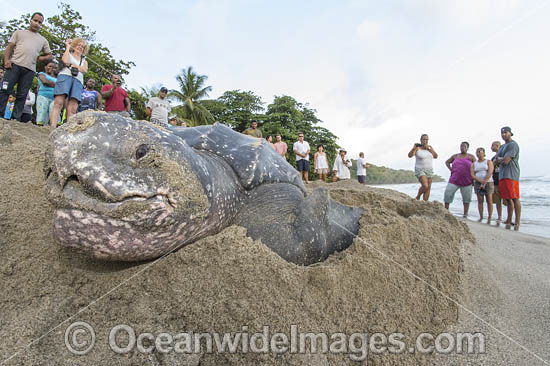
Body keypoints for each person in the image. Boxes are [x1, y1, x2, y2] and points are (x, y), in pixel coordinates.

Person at [0, 12, 52, 121]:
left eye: (40, 22)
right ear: (30, 20)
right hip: (14, 65)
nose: (37, 24)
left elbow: (49, 56)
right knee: (5, 89)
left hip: (29, 70)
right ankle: (1, 115)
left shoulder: (43, 40)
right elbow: (9, 47)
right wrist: (6, 60)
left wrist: (40, 58)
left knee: (22, 95)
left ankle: (15, 119)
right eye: (35, 20)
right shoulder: (19, 33)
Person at [50, 38, 88, 129]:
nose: (80, 48)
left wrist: (73, 65)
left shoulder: (84, 61)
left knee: (73, 108)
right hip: (65, 76)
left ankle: (69, 129)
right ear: (74, 45)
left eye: (82, 47)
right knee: (58, 102)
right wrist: (67, 46)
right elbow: (65, 61)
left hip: (78, 80)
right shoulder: (69, 54)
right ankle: (52, 126)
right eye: (79, 45)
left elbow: (84, 70)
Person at [496, 127, 521, 230]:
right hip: (502, 174)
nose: (503, 134)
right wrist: (500, 159)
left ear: (510, 133)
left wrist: (500, 159)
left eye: (506, 132)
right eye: (502, 133)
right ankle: (509, 219)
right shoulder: (502, 147)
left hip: (511, 174)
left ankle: (518, 221)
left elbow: (506, 160)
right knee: (507, 198)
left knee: (515, 198)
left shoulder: (513, 145)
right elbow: (496, 160)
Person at [444, 142, 476, 217]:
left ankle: (465, 214)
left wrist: (474, 178)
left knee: (466, 198)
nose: (462, 148)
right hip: (454, 180)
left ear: (467, 148)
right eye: (461, 146)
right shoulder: (455, 156)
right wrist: (451, 169)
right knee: (448, 194)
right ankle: (445, 211)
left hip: (467, 181)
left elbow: (476, 166)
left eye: (464, 146)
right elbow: (447, 162)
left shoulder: (471, 157)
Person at [471, 147, 494, 222]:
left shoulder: (488, 162)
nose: (478, 153)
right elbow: (473, 175)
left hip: (488, 182)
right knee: (480, 200)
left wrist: (484, 182)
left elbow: (490, 172)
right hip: (478, 182)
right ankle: (481, 216)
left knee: (489, 200)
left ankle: (489, 217)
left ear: (484, 153)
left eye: (480, 152)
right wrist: (480, 182)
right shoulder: (474, 164)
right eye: (477, 152)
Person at [36, 61, 58, 126]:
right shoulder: (42, 74)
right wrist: (55, 84)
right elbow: (44, 81)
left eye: (53, 67)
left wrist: (50, 83)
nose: (51, 68)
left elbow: (61, 86)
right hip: (43, 96)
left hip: (54, 98)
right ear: (45, 67)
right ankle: (39, 128)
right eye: (49, 66)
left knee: (53, 114)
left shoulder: (57, 78)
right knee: (42, 113)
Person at [490, 141, 503, 221]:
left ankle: (511, 217)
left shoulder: (503, 156)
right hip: (495, 181)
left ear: (498, 146)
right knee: (497, 201)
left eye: (492, 145)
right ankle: (499, 216)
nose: (491, 147)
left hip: (503, 179)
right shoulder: (493, 158)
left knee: (508, 200)